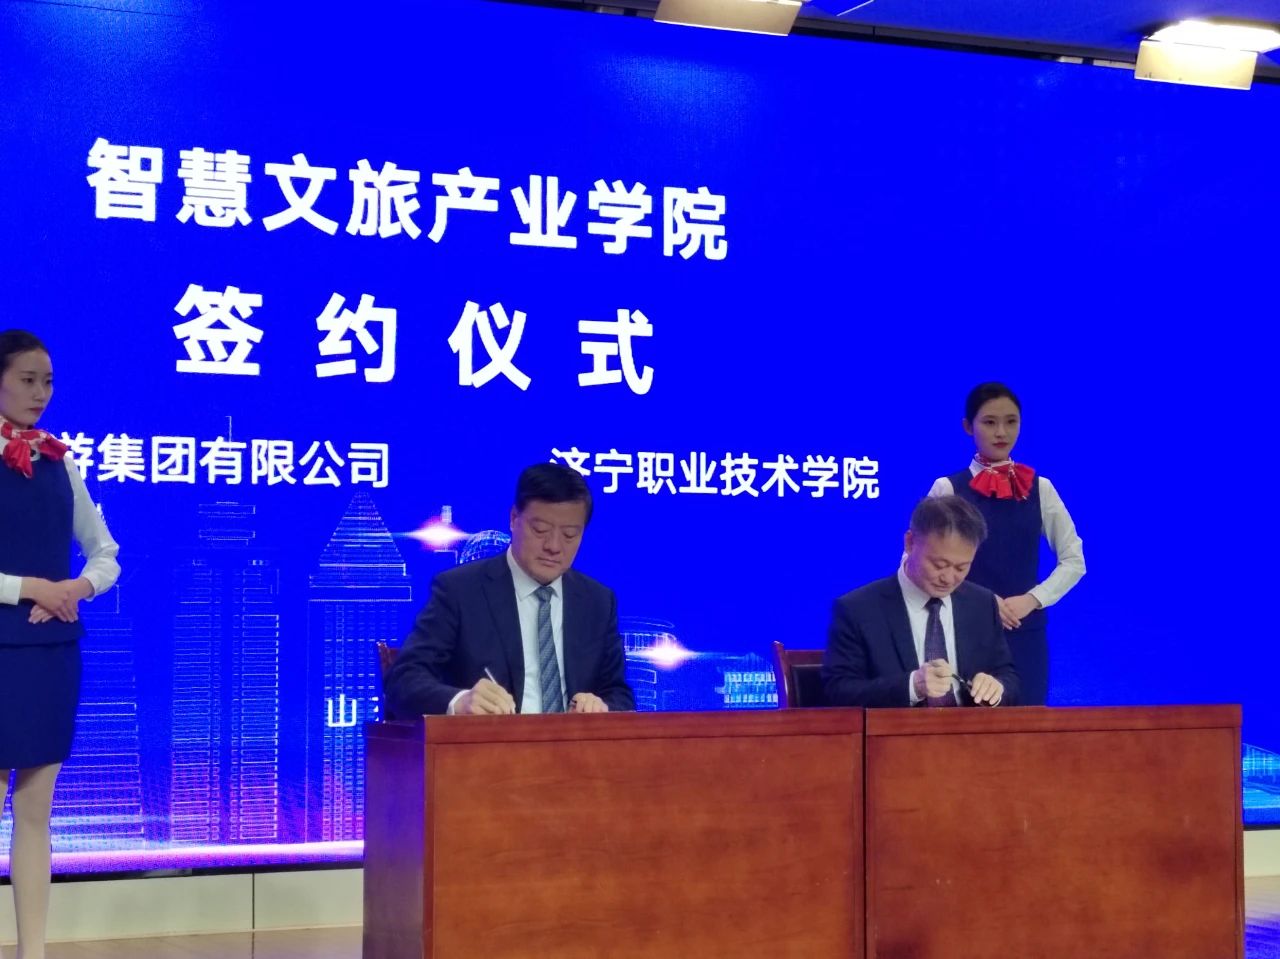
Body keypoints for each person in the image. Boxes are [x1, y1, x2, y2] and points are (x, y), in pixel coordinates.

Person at [0, 330, 120, 959]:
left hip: (50, 654)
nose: (40, 393)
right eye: (27, 380)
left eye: (47, 382)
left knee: (36, 813)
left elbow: (106, 553)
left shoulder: (59, 461)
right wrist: (31, 589)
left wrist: (76, 587)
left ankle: (33, 950)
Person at [386, 463, 634, 716]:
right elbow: (403, 679)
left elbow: (619, 694)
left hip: (575, 742)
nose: (553, 546)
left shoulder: (597, 601)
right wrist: (460, 702)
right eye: (540, 530)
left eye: (569, 535)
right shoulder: (460, 591)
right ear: (514, 519)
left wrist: (602, 707)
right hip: (488, 739)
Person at [926, 382, 1084, 705]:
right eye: (989, 422)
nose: (1001, 432)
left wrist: (1033, 599)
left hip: (1025, 634)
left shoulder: (1041, 488)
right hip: (964, 632)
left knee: (1027, 728)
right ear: (968, 426)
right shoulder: (947, 488)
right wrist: (982, 600)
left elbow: (1074, 561)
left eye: (1011, 422)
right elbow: (916, 562)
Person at [823, 495, 1018, 708]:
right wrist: (912, 686)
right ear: (910, 543)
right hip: (894, 728)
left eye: (961, 568)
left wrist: (997, 688)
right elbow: (838, 691)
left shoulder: (981, 603)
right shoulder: (858, 609)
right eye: (939, 565)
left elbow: (1007, 675)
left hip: (971, 728)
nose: (949, 578)